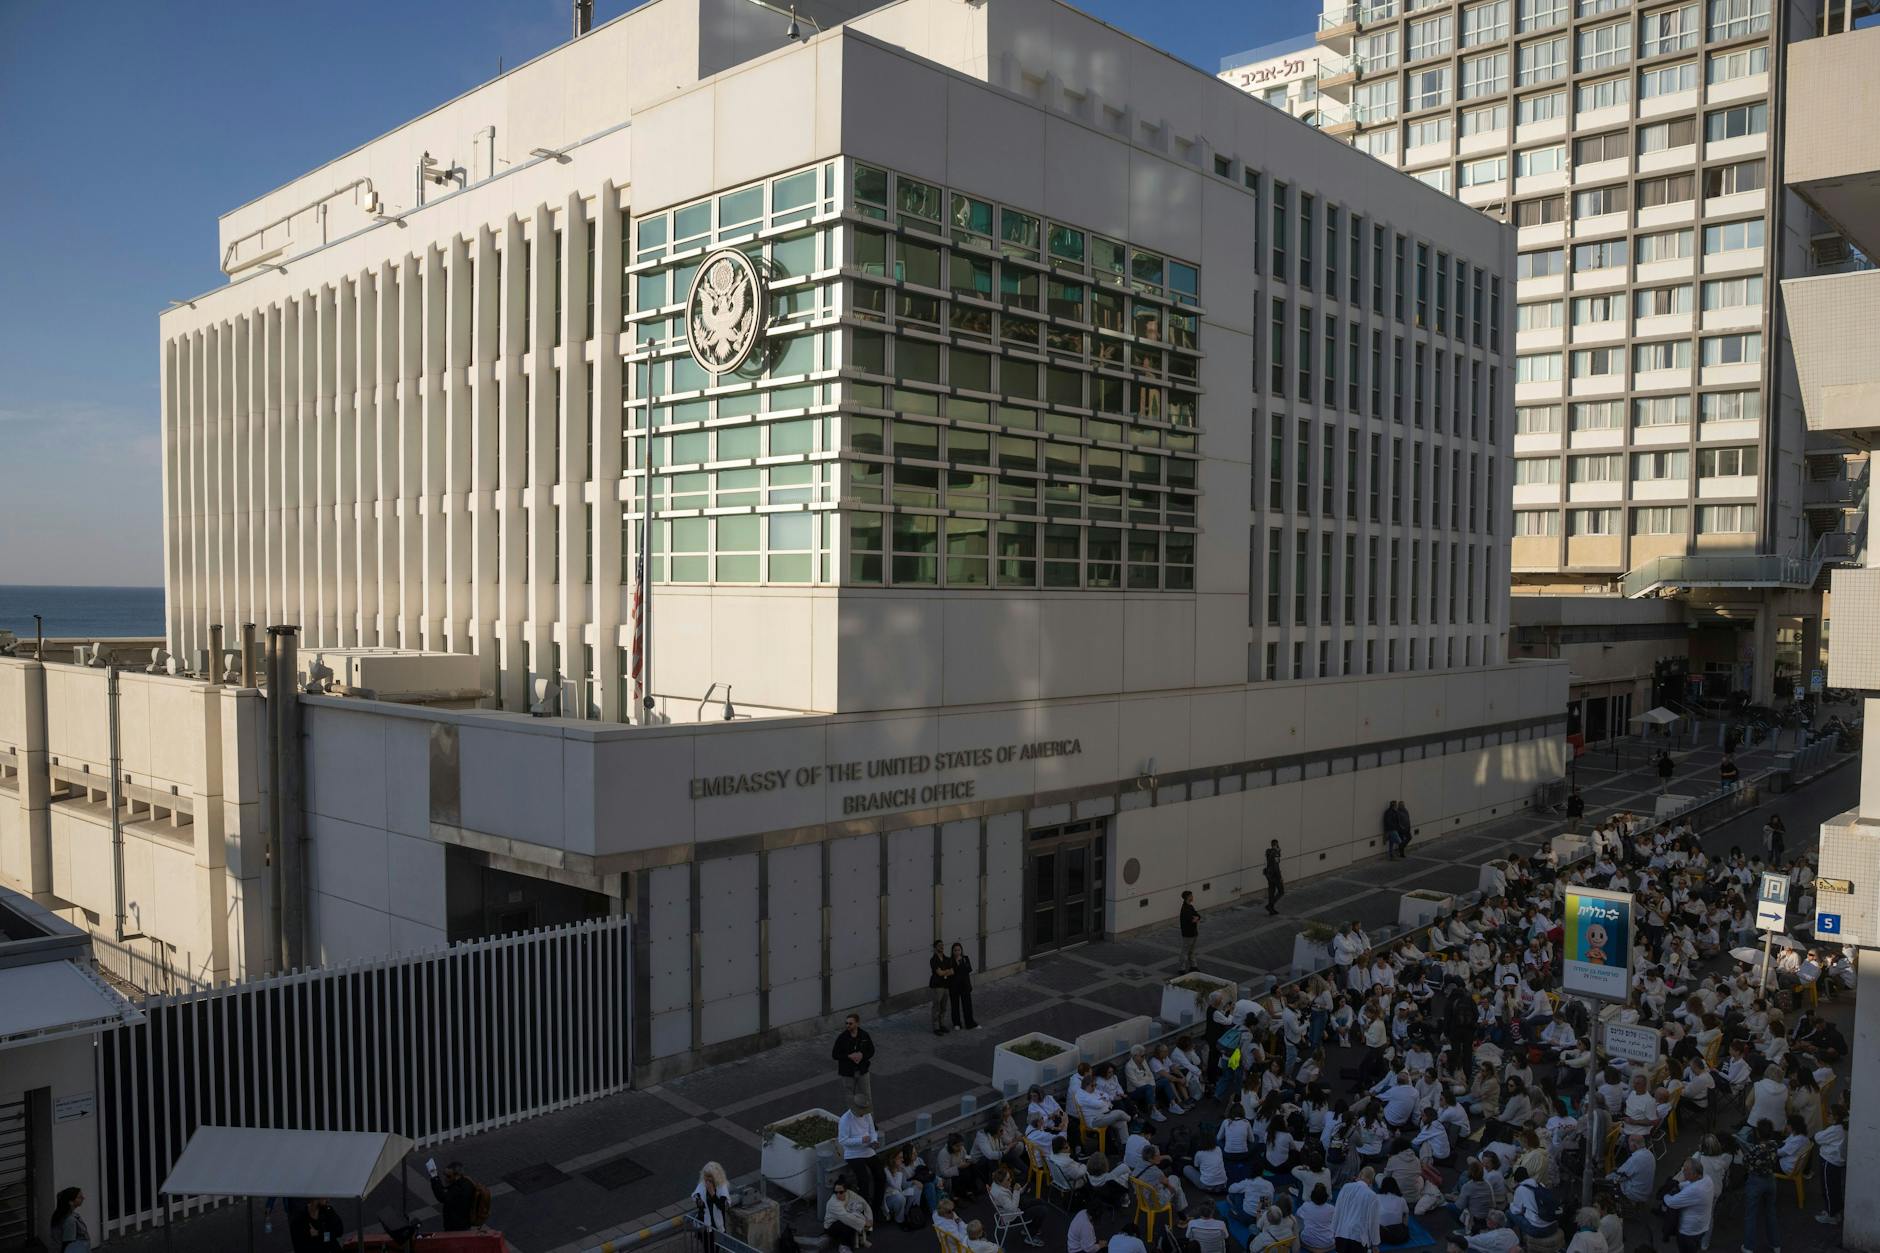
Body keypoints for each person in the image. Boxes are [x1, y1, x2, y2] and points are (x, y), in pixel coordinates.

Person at [839, 1094, 885, 1216]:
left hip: (867, 1149)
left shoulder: (867, 1115)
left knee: (881, 1175)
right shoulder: (845, 1120)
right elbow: (843, 1141)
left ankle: (876, 1208)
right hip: (853, 1153)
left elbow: (872, 1131)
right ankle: (864, 1211)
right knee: (863, 1180)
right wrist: (860, 1140)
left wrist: (874, 1141)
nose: (863, 1114)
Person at [1739, 1122, 1780, 1253]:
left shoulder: (1755, 1150)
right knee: (1771, 1212)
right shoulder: (1774, 1145)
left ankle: (1749, 1246)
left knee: (1750, 1215)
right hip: (1770, 1180)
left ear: (1758, 1133)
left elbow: (1745, 1161)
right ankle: (1775, 1244)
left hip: (1755, 1181)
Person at [1660, 1159, 1714, 1253]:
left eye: (1685, 1170)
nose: (1683, 1172)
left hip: (1689, 1231)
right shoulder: (1706, 1178)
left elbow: (1671, 1202)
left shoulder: (1695, 1190)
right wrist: (1679, 1185)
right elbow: (1689, 1183)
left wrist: (1664, 1195)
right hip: (1702, 1225)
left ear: (1694, 1174)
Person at [1332, 1168, 1381, 1253]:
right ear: (1371, 1180)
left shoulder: (1346, 1187)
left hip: (1341, 1233)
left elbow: (1337, 1210)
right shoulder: (1372, 1196)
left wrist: (1333, 1231)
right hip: (1359, 1238)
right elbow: (1373, 1222)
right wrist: (1375, 1243)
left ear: (1360, 1175)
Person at [1815, 1101, 1847, 1226]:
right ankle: (1836, 1211)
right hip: (1836, 1162)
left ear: (1836, 1117)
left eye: (1829, 1114)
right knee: (1835, 1188)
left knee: (1828, 1189)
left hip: (1829, 1161)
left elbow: (1818, 1138)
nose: (1827, 1115)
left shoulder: (1834, 1130)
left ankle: (1831, 1215)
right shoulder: (1842, 1129)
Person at [833, 1014, 876, 1107]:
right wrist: (849, 1056)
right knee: (849, 1096)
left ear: (857, 1023)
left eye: (850, 1023)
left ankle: (868, 1116)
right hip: (847, 1072)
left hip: (862, 1070)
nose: (848, 1025)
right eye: (846, 1023)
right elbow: (835, 1055)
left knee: (866, 1095)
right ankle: (852, 1115)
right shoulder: (842, 1037)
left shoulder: (864, 1035)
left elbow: (871, 1050)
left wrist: (862, 1055)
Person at [429, 1160, 481, 1231]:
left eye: (448, 1176)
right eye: (444, 1174)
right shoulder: (466, 1182)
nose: (445, 1178)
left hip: (456, 1226)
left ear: (457, 1176)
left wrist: (435, 1178)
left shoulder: (459, 1189)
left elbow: (442, 1197)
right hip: (464, 1223)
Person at [824, 1176, 874, 1249]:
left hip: (846, 1216)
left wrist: (869, 1219)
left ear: (846, 1191)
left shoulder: (849, 1194)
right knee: (848, 1224)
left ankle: (862, 1239)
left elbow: (864, 1203)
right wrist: (865, 1224)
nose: (838, 1195)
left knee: (859, 1214)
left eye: (841, 1192)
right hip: (831, 1227)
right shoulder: (833, 1203)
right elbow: (846, 1217)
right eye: (835, 1192)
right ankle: (844, 1246)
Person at [1298, 1183, 1339, 1253]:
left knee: (1299, 1227)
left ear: (1312, 1195)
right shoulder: (1332, 1209)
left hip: (1308, 1241)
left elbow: (1298, 1216)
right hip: (1327, 1242)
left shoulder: (1306, 1206)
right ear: (1326, 1196)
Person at [693, 1162, 731, 1232]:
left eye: (710, 1176)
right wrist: (699, 1202)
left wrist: (712, 1193)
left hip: (718, 1225)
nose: (707, 1179)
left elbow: (722, 1206)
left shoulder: (722, 1187)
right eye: (706, 1176)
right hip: (704, 1223)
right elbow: (698, 1201)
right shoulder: (702, 1185)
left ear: (716, 1177)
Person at [948, 942, 978, 1030]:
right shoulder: (950, 961)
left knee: (967, 1005)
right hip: (954, 986)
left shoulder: (965, 958)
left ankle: (970, 1023)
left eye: (959, 950)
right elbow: (952, 973)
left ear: (961, 950)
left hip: (965, 986)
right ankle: (956, 1023)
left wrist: (961, 963)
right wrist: (957, 964)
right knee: (955, 1006)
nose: (957, 952)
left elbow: (969, 969)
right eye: (955, 950)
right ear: (952, 951)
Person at [49, 1187, 89, 1253]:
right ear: (71, 1202)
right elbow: (68, 1247)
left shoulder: (60, 1214)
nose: (83, 1198)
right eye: (79, 1197)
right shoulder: (70, 1221)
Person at [929, 941, 953, 1035]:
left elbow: (952, 971)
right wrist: (946, 971)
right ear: (935, 948)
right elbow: (939, 973)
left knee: (943, 1007)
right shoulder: (933, 960)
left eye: (942, 945)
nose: (942, 947)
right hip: (937, 986)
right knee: (936, 1007)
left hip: (946, 985)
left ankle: (942, 1025)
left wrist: (944, 972)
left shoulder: (947, 959)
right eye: (939, 945)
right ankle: (936, 1027)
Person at [1180, 891, 1202, 972]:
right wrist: (1195, 919)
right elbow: (1190, 920)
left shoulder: (1190, 907)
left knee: (1192, 951)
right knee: (1185, 951)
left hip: (1193, 933)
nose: (1193, 897)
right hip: (1188, 934)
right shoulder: (1185, 908)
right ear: (1188, 897)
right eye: (1191, 896)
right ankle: (1182, 968)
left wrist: (1196, 918)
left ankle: (1193, 966)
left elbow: (1198, 915)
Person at [1265, 841, 1286, 914]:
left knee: (1271, 891)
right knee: (1281, 891)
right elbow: (1276, 866)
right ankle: (1270, 905)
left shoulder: (1269, 852)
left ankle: (1271, 909)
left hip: (1269, 875)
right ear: (1276, 845)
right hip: (1275, 876)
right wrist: (1280, 877)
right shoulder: (1275, 854)